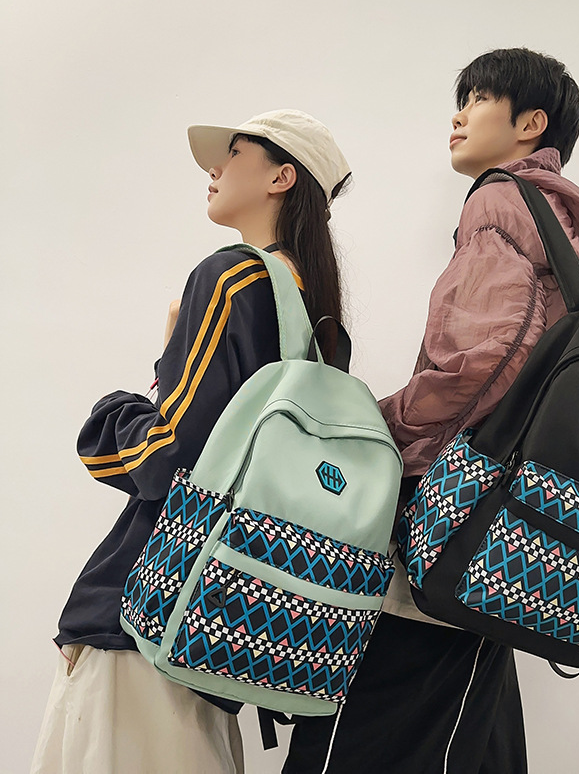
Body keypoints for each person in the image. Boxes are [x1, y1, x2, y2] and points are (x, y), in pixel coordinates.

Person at [281, 48, 579, 774]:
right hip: (504, 510)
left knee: (370, 721)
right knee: (466, 719)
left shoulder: (499, 202)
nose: (458, 117)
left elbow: (485, 357)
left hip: (449, 498)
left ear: (531, 123)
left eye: (478, 99)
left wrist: (379, 426)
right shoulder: (557, 225)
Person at [30, 109, 352, 774]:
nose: (214, 168)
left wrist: (112, 413)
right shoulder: (317, 317)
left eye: (233, 153)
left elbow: (169, 458)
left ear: (281, 178)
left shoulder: (230, 277)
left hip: (145, 611)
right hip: (219, 623)